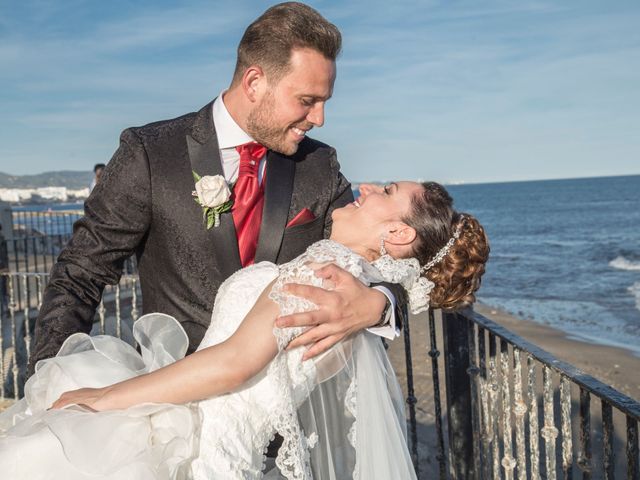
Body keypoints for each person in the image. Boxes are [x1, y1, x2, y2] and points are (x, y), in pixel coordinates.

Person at [0, 181, 490, 479]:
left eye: (386, 192)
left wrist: (105, 397)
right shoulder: (349, 287)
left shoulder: (326, 281)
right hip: (214, 442)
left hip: (196, 448)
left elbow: (235, 364)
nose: (363, 188)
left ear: (399, 234)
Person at [29, 2, 403, 379]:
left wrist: (379, 303)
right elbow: (82, 271)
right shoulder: (151, 152)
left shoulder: (319, 165)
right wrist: (44, 382)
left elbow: (381, 255)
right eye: (307, 101)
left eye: (324, 102)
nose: (320, 119)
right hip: (171, 403)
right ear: (254, 82)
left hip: (291, 411)